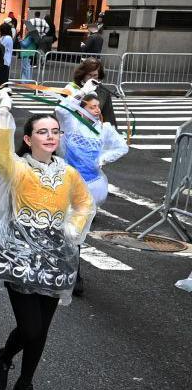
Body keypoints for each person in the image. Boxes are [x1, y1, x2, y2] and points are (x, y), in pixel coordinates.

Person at [0, 88, 95, 390]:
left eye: (54, 131)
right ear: (29, 138)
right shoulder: (17, 168)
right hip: (18, 256)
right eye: (42, 131)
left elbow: (83, 204)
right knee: (30, 328)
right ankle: (5, 355)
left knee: (41, 330)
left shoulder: (69, 173)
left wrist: (72, 229)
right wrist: (4, 110)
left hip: (56, 259)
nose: (50, 136)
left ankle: (25, 383)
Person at [55, 84, 129, 297]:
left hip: (91, 185)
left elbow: (122, 147)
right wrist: (78, 93)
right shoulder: (70, 123)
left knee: (77, 230)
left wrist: (102, 159)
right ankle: (64, 267)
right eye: (93, 106)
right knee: (63, 227)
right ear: (82, 107)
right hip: (66, 182)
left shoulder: (103, 129)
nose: (97, 109)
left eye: (98, 106)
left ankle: (75, 274)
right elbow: (61, 109)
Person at [66, 59, 117, 125]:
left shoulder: (103, 92)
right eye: (89, 75)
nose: (92, 78)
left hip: (94, 130)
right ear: (83, 74)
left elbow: (108, 116)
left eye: (95, 75)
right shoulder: (72, 88)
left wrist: (113, 131)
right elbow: (61, 111)